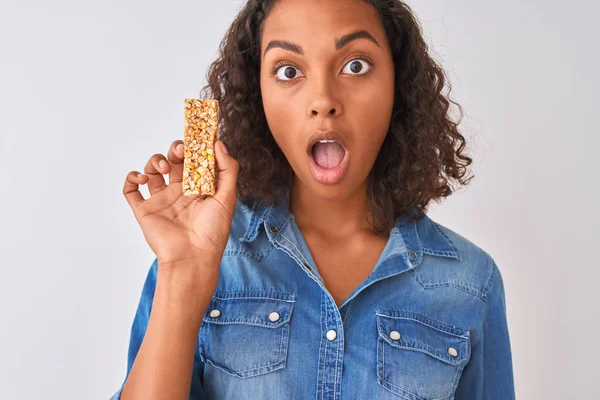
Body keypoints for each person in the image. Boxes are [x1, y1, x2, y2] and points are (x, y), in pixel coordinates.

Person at [112, 0, 516, 399]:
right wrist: (184, 272)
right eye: (289, 71)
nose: (323, 99)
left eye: (355, 65)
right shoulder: (203, 253)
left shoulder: (470, 282)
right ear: (259, 95)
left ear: (399, 83)